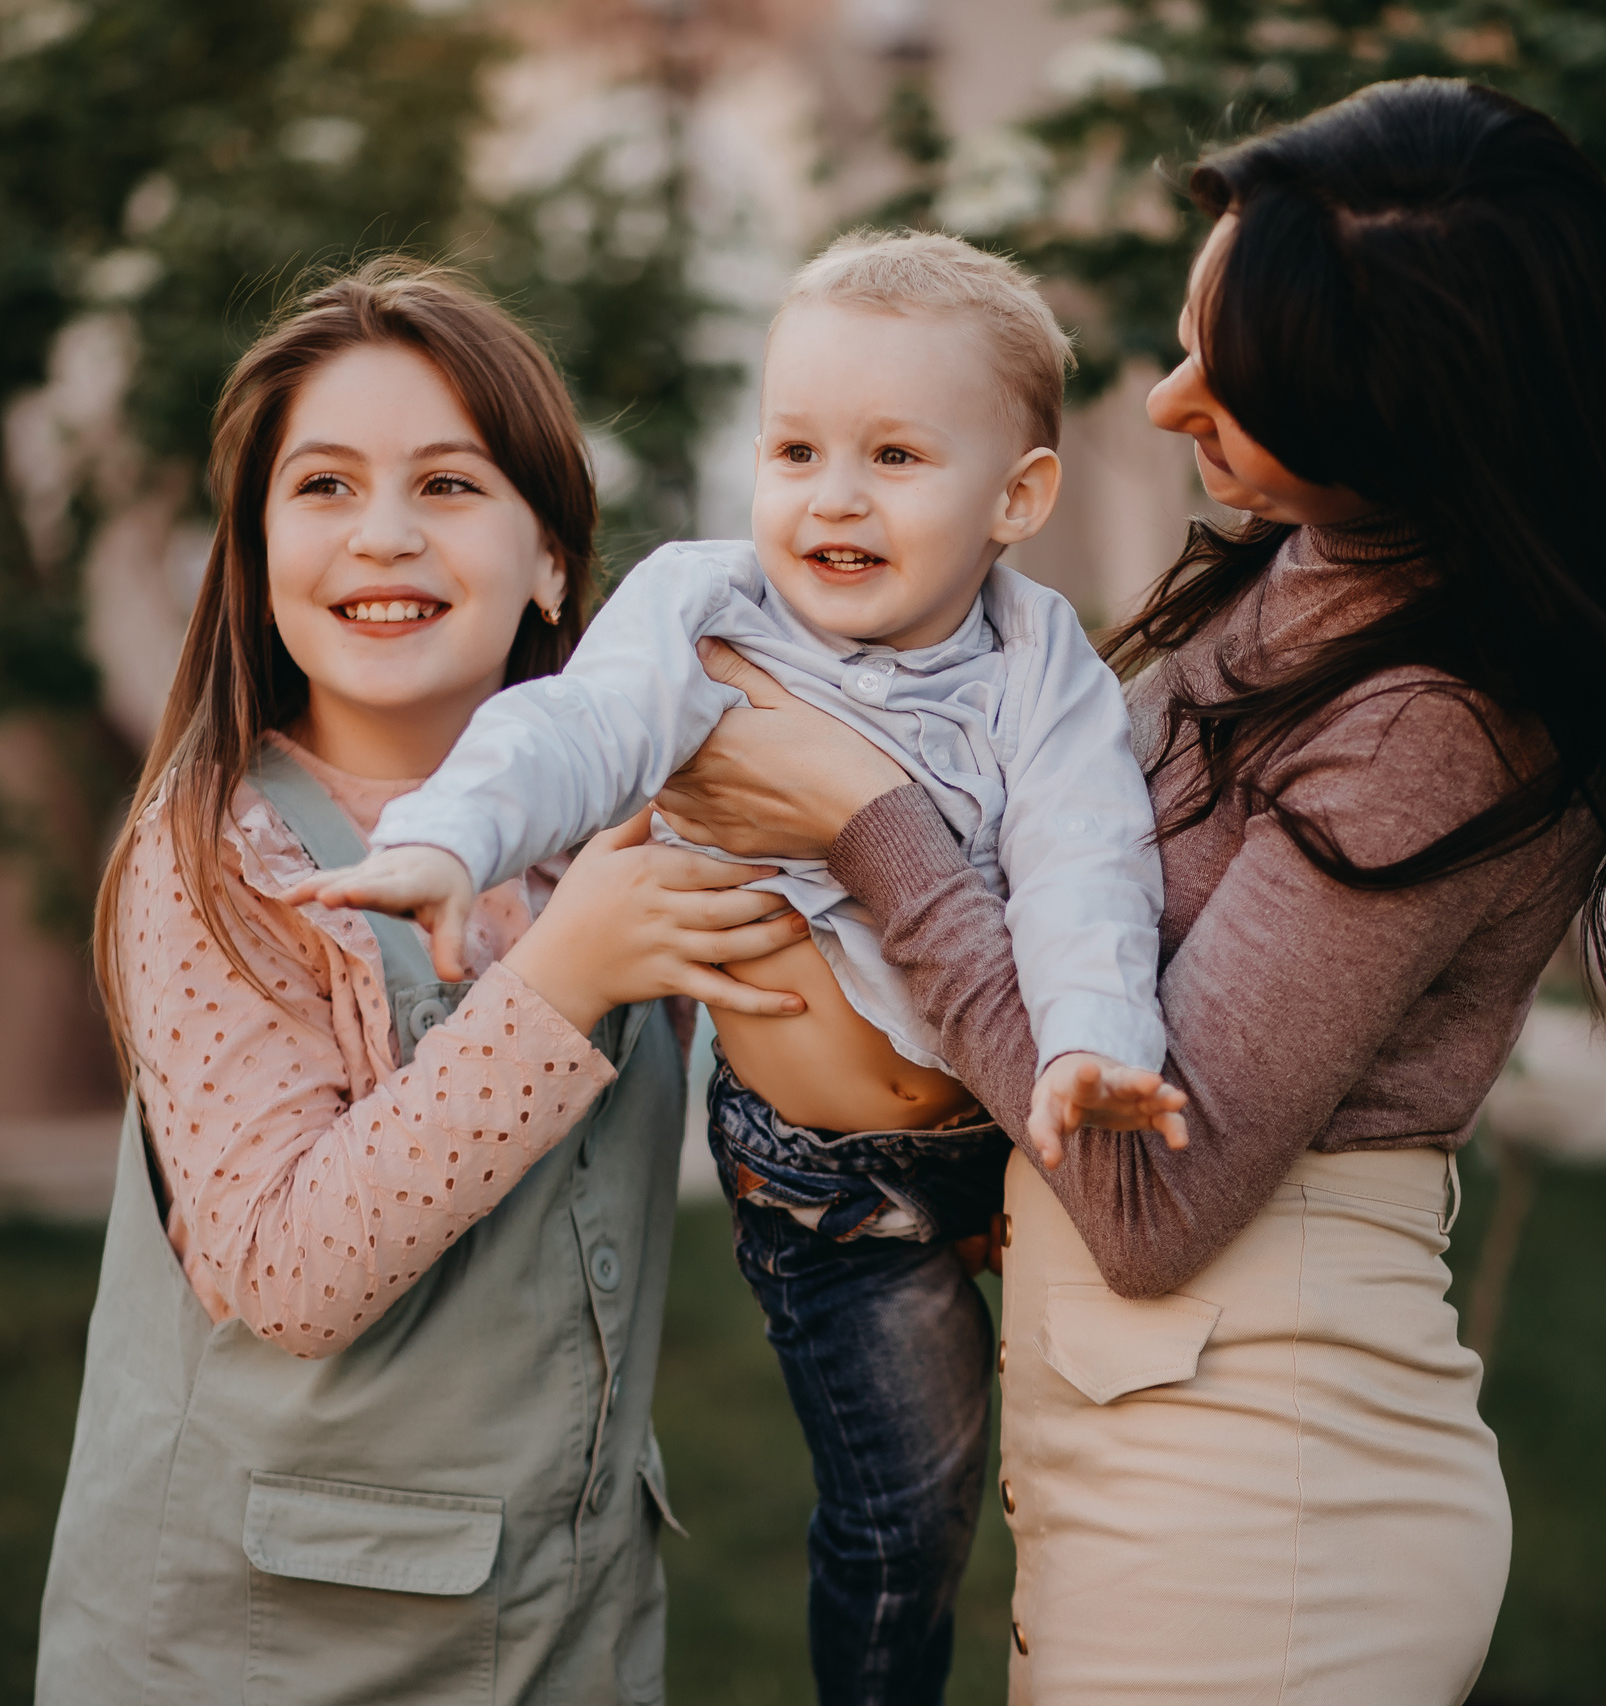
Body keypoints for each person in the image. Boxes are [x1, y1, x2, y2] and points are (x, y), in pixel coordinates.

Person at [652, 78, 1606, 1700]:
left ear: (1405, 420)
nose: (1163, 402)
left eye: (1240, 380)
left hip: (1262, 1518)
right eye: (1191, 330)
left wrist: (868, 813)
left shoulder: (1440, 718)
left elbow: (1152, 1199)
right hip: (1154, 1465)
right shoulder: (1309, 575)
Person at [301, 230, 1185, 1706]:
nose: (831, 494)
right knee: (909, 1511)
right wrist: (452, 838)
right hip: (828, 1191)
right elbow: (567, 732)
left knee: (1081, 1484)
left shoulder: (1044, 665)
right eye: (795, 449)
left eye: (895, 455)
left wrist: (1093, 1037)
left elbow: (1094, 860)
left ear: (1017, 496)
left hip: (1012, 1145)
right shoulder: (704, 607)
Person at [36, 258, 803, 1703]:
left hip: (566, 1618)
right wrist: (563, 979)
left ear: (554, 559)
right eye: (322, 487)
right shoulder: (214, 857)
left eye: (448, 486)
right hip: (260, 1647)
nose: (381, 535)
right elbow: (289, 1268)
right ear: (257, 551)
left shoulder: (621, 830)